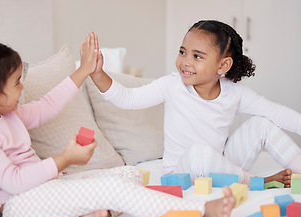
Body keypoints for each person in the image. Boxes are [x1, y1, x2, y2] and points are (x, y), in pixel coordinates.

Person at [0, 34, 236, 217]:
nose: (22, 88)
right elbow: (14, 181)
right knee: (113, 189)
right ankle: (199, 215)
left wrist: (83, 70)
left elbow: (46, 106)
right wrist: (64, 160)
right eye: (17, 82)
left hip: (48, 188)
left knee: (129, 174)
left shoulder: (9, 114)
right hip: (18, 204)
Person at [89, 20, 301, 188]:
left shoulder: (234, 91)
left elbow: (275, 112)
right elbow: (128, 99)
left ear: (223, 65)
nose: (186, 61)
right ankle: (257, 183)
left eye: (197, 56)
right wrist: (98, 74)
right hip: (183, 174)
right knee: (201, 152)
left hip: (220, 166)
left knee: (261, 125)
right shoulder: (172, 85)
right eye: (182, 52)